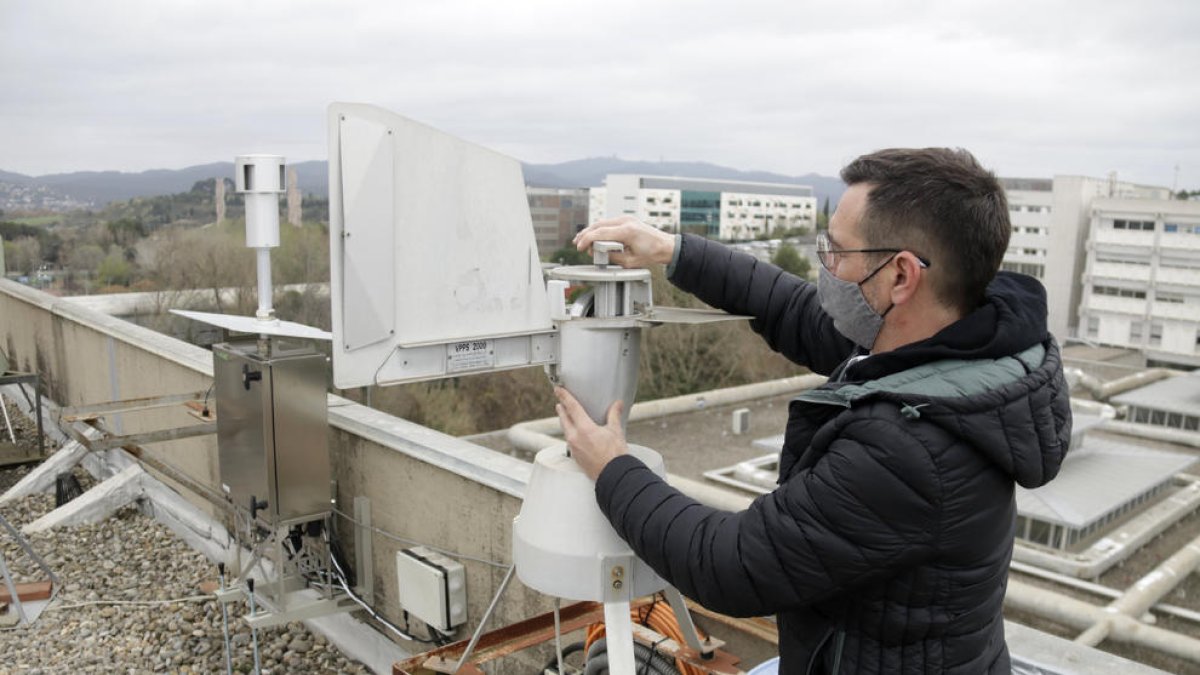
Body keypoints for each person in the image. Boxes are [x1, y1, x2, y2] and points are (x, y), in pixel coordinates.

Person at [554, 148, 1072, 674]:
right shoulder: (952, 345)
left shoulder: (908, 450)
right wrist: (674, 252)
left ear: (901, 276)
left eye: (838, 251)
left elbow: (731, 565)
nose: (826, 265)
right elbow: (795, 310)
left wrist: (612, 468)